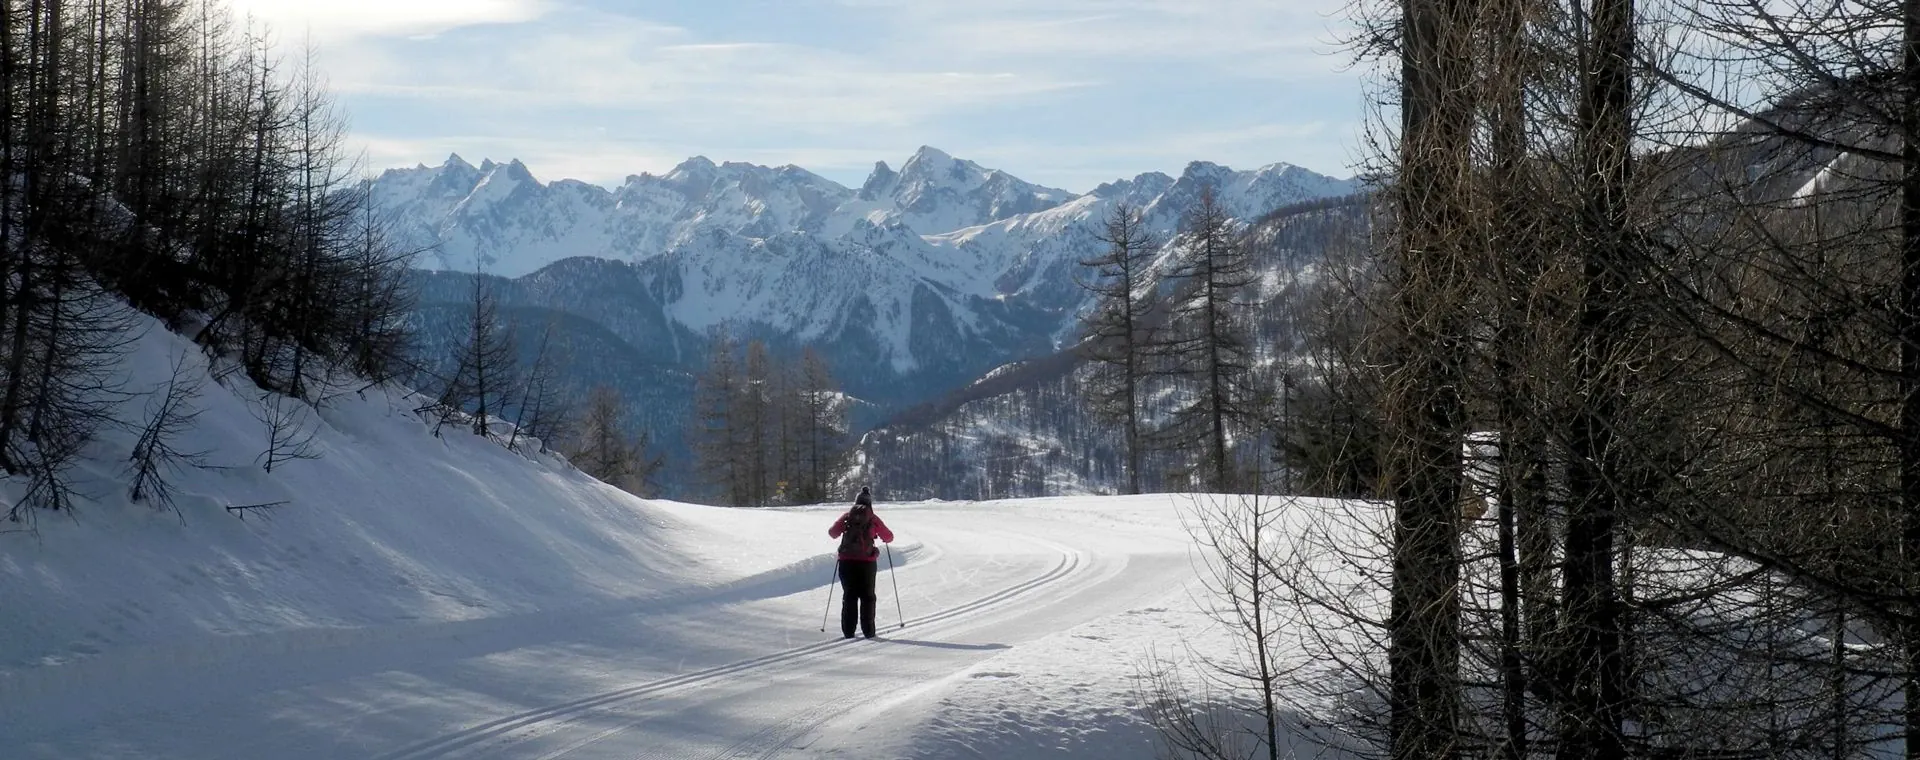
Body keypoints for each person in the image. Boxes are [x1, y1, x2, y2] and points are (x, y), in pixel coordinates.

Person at [827, 486, 894, 639]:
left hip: (846, 562)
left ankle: (848, 632)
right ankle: (868, 631)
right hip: (866, 563)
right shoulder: (873, 518)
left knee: (849, 596)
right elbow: (889, 537)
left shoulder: (847, 517)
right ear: (870, 503)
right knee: (867, 596)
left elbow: (832, 533)